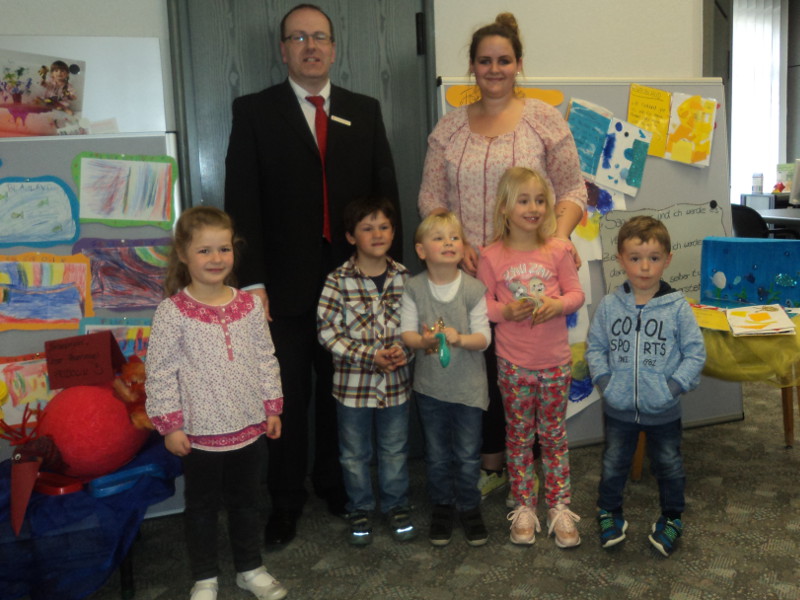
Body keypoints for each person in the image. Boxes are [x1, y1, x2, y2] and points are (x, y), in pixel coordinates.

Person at [224, 3, 401, 548]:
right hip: (283, 289)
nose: (310, 46)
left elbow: (385, 194)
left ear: (333, 46)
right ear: (283, 50)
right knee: (286, 395)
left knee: (341, 394)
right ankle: (284, 500)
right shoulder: (255, 111)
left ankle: (334, 484)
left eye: (319, 36)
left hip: (353, 286)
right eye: (298, 37)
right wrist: (250, 283)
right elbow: (242, 201)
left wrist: (393, 274)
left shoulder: (363, 110)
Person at [417, 12, 587, 502]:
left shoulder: (543, 120)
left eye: (504, 60)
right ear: (471, 67)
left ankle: (529, 470)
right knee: (484, 371)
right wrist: (458, 241)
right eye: (485, 61)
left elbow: (573, 187)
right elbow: (430, 197)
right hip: (468, 272)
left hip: (531, 275)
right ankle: (492, 464)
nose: (494, 69)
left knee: (530, 368)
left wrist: (557, 241)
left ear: (518, 65)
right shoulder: (448, 129)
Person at [145, 206, 288, 600]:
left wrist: (272, 407)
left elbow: (265, 357)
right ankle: (204, 576)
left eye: (223, 249)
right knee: (202, 508)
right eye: (204, 250)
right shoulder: (172, 312)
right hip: (200, 433)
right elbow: (159, 373)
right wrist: (170, 425)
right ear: (183, 254)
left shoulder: (248, 306)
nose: (215, 259)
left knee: (246, 502)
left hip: (249, 425)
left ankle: (250, 567)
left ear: (233, 251)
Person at [476, 167, 585, 548]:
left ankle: (558, 506)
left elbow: (575, 294)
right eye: (524, 200)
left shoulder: (558, 250)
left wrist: (556, 305)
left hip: (555, 362)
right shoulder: (490, 256)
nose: (534, 207)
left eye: (540, 200)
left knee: (553, 437)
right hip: (513, 363)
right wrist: (505, 312)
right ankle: (524, 506)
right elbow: (483, 304)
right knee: (519, 438)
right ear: (505, 207)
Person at [585, 216, 706, 557]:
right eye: (635, 258)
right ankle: (609, 513)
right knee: (613, 464)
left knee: (669, 465)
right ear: (621, 259)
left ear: (667, 260)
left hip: (664, 409)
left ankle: (672, 518)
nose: (644, 267)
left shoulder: (678, 308)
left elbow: (695, 354)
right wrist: (606, 383)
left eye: (654, 258)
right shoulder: (611, 305)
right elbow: (595, 348)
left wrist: (673, 387)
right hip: (619, 407)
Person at [316, 196, 415, 546]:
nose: (377, 234)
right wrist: (369, 356)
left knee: (394, 449)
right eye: (367, 228)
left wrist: (402, 350)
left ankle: (396, 505)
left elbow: (413, 327)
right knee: (354, 453)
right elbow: (328, 332)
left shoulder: (405, 278)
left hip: (396, 386)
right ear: (350, 237)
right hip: (352, 388)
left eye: (384, 226)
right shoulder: (337, 280)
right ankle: (360, 506)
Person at [400, 211, 492, 547]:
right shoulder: (414, 288)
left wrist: (458, 338)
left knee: (468, 454)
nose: (449, 243)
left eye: (454, 237)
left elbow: (484, 339)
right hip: (431, 389)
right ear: (421, 250)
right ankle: (442, 506)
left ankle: (469, 506)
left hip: (468, 389)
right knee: (437, 454)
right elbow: (407, 334)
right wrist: (425, 342)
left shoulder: (473, 289)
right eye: (439, 238)